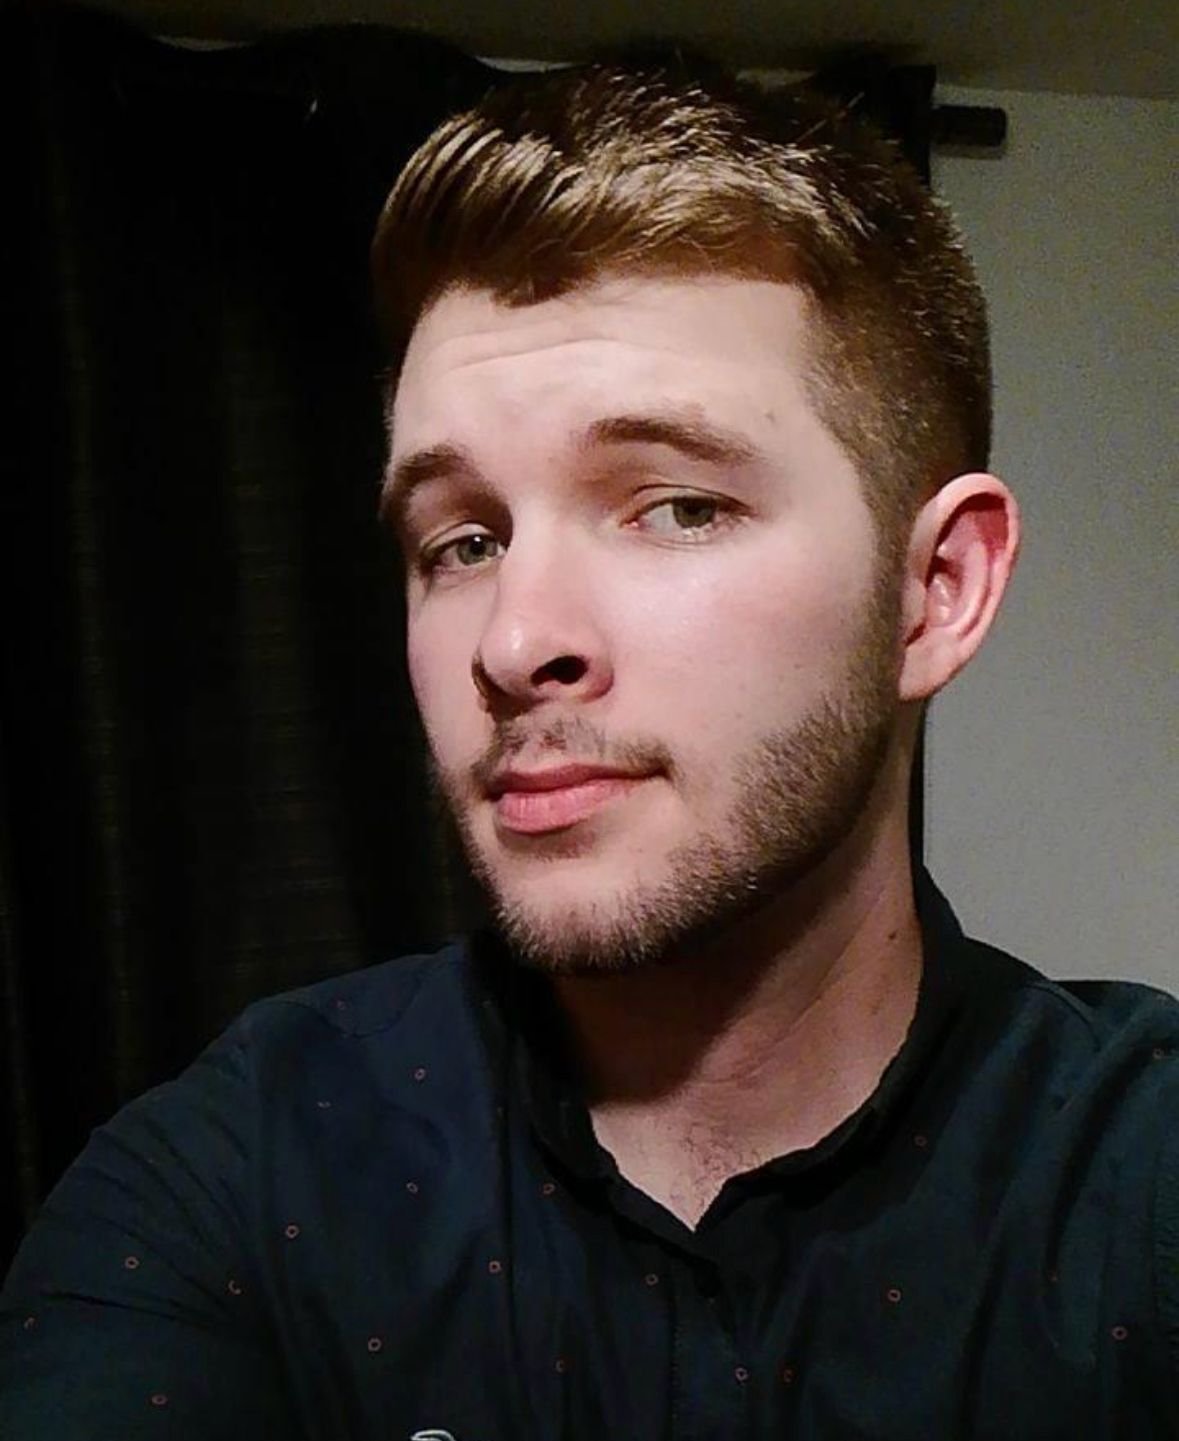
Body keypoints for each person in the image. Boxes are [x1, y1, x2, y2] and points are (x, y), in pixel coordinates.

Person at [3, 59, 1177, 1440]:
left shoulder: (1143, 1181)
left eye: (674, 506)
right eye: (463, 540)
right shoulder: (226, 1185)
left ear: (937, 591)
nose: (515, 641)